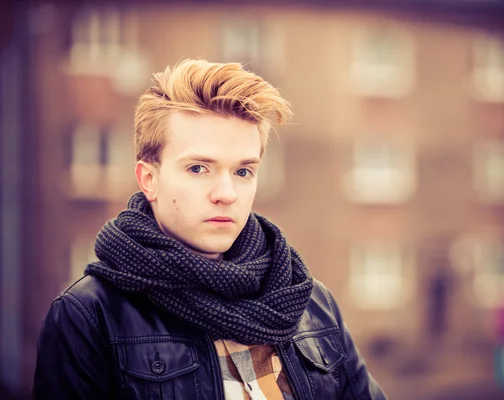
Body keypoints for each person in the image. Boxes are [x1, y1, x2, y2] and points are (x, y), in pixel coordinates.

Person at [33, 59, 386, 399]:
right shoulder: (89, 317)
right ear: (149, 179)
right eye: (199, 169)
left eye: (243, 171)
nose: (226, 194)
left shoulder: (310, 303)